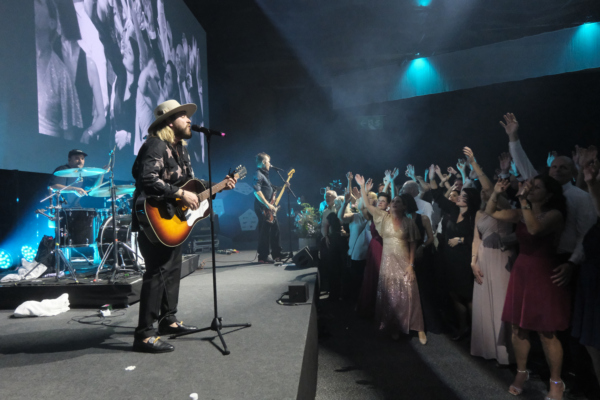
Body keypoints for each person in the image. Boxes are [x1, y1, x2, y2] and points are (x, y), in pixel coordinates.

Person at [131, 99, 236, 353]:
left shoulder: (181, 149)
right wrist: (179, 194)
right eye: (183, 116)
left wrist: (219, 185)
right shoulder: (156, 144)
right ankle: (144, 334)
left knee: (172, 269)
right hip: (156, 219)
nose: (189, 120)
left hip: (174, 221)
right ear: (170, 122)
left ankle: (168, 320)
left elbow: (191, 186)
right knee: (156, 273)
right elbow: (146, 179)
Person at [485, 176, 569, 400]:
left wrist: (522, 201)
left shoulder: (555, 214)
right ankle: (522, 372)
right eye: (529, 186)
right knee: (518, 327)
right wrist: (496, 192)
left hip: (543, 271)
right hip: (522, 270)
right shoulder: (522, 211)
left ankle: (556, 381)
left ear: (549, 194)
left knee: (546, 331)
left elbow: (533, 229)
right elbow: (491, 211)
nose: (530, 189)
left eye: (536, 187)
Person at [355, 174, 427, 345]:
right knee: (392, 295)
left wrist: (411, 265)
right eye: (393, 202)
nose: (394, 203)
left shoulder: (409, 222)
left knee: (410, 293)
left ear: (404, 206)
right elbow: (367, 205)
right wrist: (364, 187)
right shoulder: (383, 217)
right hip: (388, 262)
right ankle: (394, 326)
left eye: (398, 202)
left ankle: (419, 327)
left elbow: (412, 244)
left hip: (404, 262)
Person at [357, 191, 390, 318]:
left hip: (386, 247)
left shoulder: (389, 215)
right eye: (379, 200)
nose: (380, 202)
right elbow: (362, 207)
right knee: (373, 275)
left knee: (383, 277)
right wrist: (363, 189)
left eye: (383, 200)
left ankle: (383, 308)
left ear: (388, 204)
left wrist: (390, 183)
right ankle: (370, 308)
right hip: (375, 246)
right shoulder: (373, 214)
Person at [253, 153, 285, 263]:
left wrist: (283, 187)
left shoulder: (264, 175)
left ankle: (276, 254)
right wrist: (268, 205)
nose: (270, 164)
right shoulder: (258, 174)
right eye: (268, 162)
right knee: (265, 232)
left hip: (267, 208)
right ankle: (263, 256)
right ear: (263, 162)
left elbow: (270, 188)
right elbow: (257, 191)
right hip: (263, 208)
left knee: (274, 230)